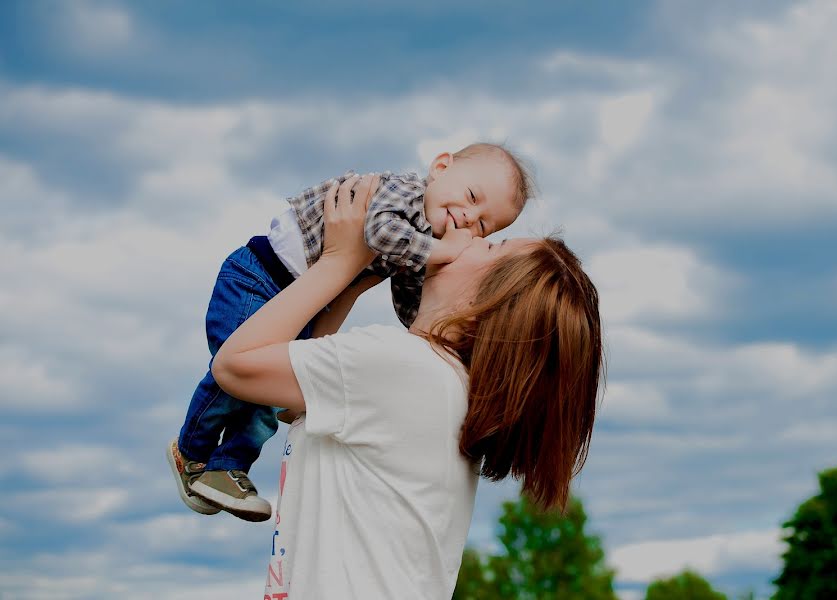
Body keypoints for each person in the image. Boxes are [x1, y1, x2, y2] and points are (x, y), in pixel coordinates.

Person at [211, 175, 603, 599]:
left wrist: (338, 261)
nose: (468, 233)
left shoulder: (406, 366)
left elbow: (235, 366)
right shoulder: (437, 382)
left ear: (485, 304)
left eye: (490, 244)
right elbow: (292, 402)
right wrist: (354, 279)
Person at [167, 143, 533, 522]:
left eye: (483, 226)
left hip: (295, 297)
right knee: (236, 385)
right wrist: (441, 251)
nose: (467, 218)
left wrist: (429, 329)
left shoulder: (421, 245)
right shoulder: (405, 193)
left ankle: (227, 467)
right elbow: (380, 233)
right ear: (441, 167)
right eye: (471, 197)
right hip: (259, 274)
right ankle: (192, 452)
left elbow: (410, 299)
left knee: (263, 402)